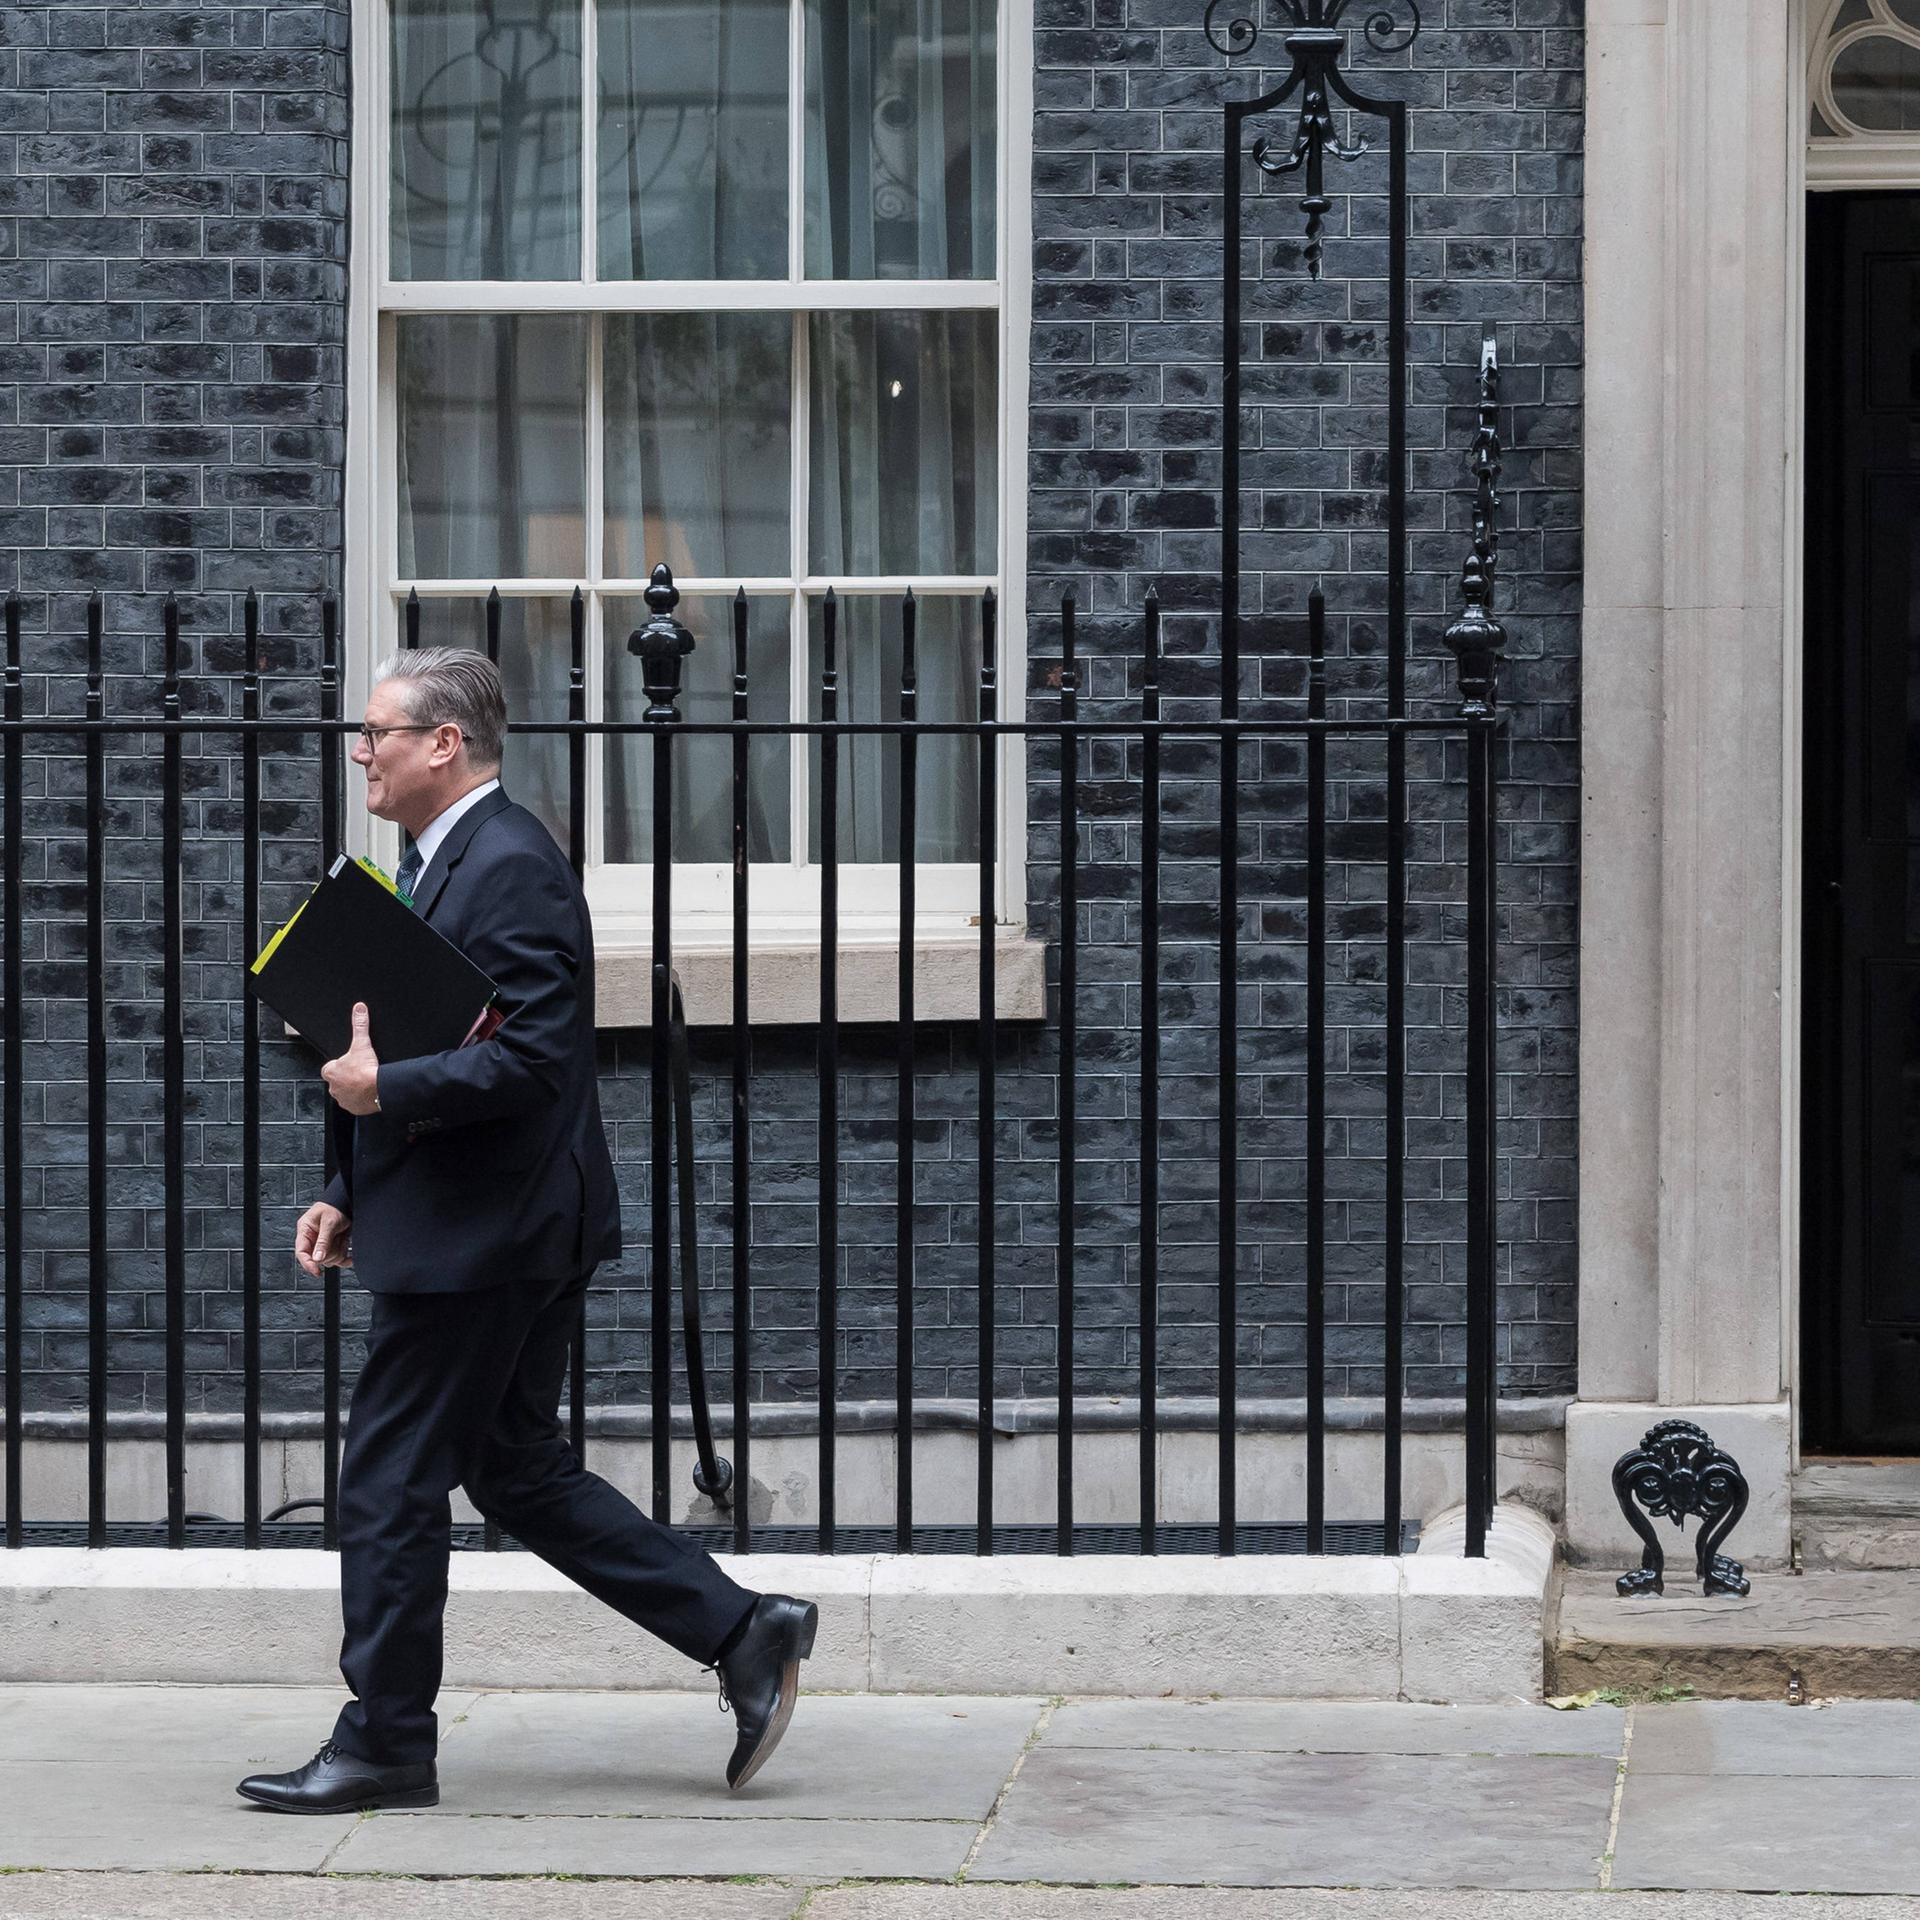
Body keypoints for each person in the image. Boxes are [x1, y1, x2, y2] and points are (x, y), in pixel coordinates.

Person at [238, 647, 815, 1815]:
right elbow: (401, 1031)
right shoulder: (434, 865)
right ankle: (745, 1629)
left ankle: (387, 1737)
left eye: (379, 732)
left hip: (484, 1236)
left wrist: (379, 1098)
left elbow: (532, 1057)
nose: (362, 750)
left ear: (443, 743)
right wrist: (351, 1181)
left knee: (389, 1481)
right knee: (511, 1466)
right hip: (479, 1220)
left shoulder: (512, 867)